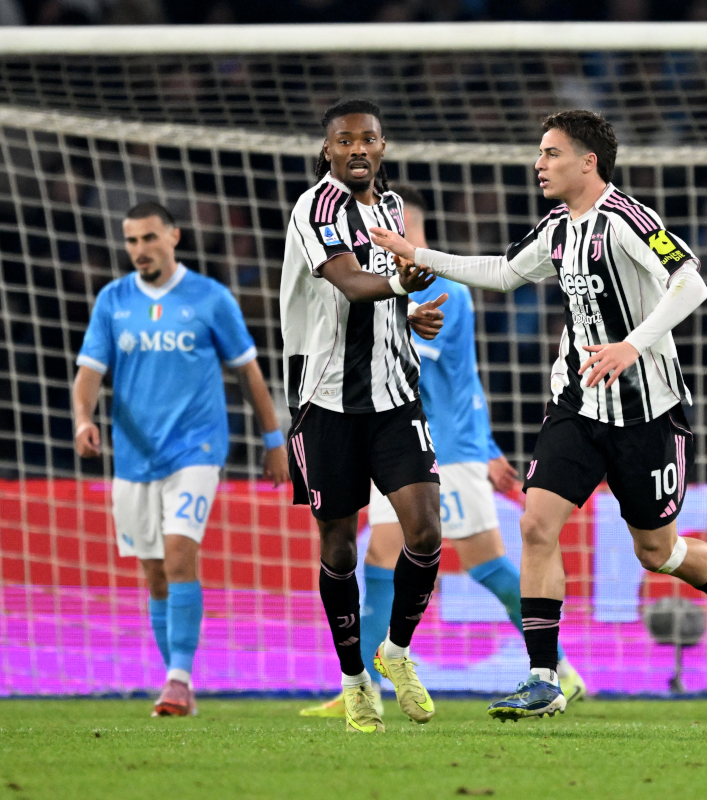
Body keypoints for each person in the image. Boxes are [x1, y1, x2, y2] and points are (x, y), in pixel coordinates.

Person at [370, 109, 707, 721]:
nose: (539, 163)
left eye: (551, 153)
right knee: (535, 526)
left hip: (647, 413)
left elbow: (692, 285)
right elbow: (502, 275)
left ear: (589, 162)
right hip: (578, 405)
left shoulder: (629, 220)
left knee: (655, 551)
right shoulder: (557, 227)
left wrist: (633, 344)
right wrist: (414, 251)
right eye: (540, 153)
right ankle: (542, 677)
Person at [300, 185, 586, 719]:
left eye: (394, 230)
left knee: (418, 561)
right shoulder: (402, 287)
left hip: (442, 449)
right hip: (433, 443)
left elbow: (415, 366)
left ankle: (556, 670)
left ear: (416, 235)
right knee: (455, 564)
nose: (382, 240)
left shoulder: (442, 290)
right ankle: (365, 684)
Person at [73, 201, 288, 717]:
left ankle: (179, 678)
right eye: (131, 242)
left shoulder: (210, 299)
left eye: (149, 238)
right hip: (133, 456)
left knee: (178, 556)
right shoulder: (113, 300)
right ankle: (175, 679)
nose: (140, 250)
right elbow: (88, 374)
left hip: (197, 448)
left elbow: (248, 373)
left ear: (173, 236)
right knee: (154, 572)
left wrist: (274, 439)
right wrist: (83, 418)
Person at [280, 98, 449, 733]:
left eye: (368, 139)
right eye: (344, 140)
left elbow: (382, 298)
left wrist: (411, 316)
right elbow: (351, 284)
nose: (357, 149)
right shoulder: (315, 207)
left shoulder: (395, 209)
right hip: (326, 404)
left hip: (395, 395)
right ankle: (354, 681)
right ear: (327, 150)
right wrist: (409, 288)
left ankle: (396, 652)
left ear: (382, 147)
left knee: (427, 532)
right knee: (339, 547)